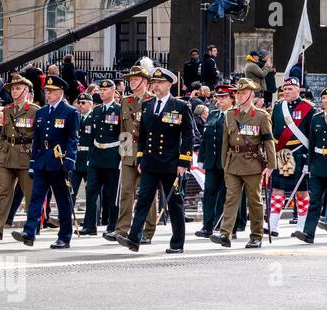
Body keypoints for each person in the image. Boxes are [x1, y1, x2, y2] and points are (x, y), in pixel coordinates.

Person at [117, 68, 193, 254]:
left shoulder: (180, 106)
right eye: (154, 83)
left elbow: (189, 136)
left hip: (170, 163)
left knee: (174, 204)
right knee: (143, 200)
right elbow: (142, 135)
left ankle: (177, 243)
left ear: (169, 84)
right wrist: (141, 157)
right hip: (150, 162)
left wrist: (184, 162)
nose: (156, 86)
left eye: (160, 83)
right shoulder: (148, 105)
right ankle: (134, 239)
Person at [12, 77, 79, 248]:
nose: (47, 94)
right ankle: (29, 231)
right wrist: (33, 162)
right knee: (36, 198)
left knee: (62, 201)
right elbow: (37, 140)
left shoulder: (70, 112)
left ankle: (64, 236)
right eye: (46, 91)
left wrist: (69, 161)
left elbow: (73, 139)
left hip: (59, 161)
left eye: (51, 91)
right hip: (42, 161)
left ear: (60, 92)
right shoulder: (41, 112)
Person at [213, 78, 273, 247]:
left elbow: (268, 141)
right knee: (231, 198)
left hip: (252, 163)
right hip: (233, 162)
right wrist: (225, 163)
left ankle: (256, 235)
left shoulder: (261, 116)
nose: (239, 96)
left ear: (252, 94)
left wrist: (271, 165)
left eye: (243, 93)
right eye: (237, 93)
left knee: (254, 200)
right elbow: (225, 141)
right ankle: (225, 234)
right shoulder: (230, 114)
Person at [0, 75, 36, 240]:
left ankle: (30, 229)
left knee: (29, 194)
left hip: (25, 157)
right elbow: (4, 134)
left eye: (18, 88)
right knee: (3, 193)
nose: (14, 91)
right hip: (7, 156)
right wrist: (2, 149)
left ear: (26, 90)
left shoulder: (34, 111)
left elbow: (38, 137)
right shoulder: (7, 110)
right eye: (12, 89)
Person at [109, 65, 159, 244]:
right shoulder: (125, 101)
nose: (132, 82)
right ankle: (121, 229)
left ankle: (148, 231)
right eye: (130, 80)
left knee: (147, 194)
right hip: (129, 153)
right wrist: (123, 155)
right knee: (126, 191)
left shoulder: (153, 101)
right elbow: (124, 130)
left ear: (145, 82)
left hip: (146, 154)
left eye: (135, 80)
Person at [267, 77, 313, 238]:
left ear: (298, 90)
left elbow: (312, 136)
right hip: (281, 152)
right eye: (284, 89)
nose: (286, 92)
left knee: (302, 192)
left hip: (300, 152)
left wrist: (309, 161)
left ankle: (301, 225)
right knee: (277, 190)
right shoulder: (279, 106)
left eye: (290, 89)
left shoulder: (309, 108)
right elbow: (272, 129)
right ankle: (273, 225)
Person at [81, 79, 121, 235]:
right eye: (101, 90)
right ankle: (90, 226)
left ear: (113, 91)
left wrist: (123, 158)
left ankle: (112, 226)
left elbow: (125, 135)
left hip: (113, 157)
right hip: (96, 157)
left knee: (112, 194)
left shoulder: (119, 110)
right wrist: (90, 155)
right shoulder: (96, 111)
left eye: (106, 90)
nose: (102, 92)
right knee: (91, 191)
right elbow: (90, 135)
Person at [194, 84, 233, 238]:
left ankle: (220, 224)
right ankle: (207, 225)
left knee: (225, 194)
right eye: (219, 97)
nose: (221, 100)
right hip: (212, 161)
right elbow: (206, 138)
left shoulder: (235, 115)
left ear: (232, 99)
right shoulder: (213, 114)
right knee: (209, 192)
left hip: (227, 162)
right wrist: (202, 158)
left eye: (224, 97)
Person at [292, 87, 327, 244]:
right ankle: (308, 233)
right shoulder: (317, 118)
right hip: (318, 165)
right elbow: (311, 143)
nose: (326, 101)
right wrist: (309, 165)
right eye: (324, 99)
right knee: (314, 201)